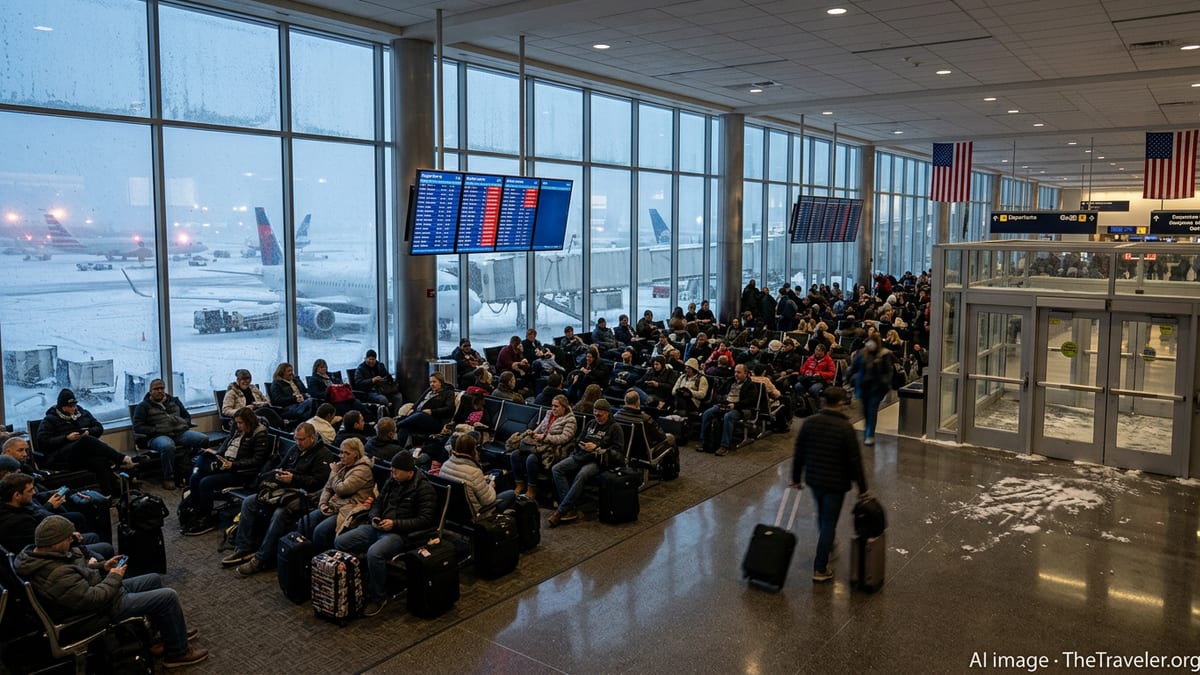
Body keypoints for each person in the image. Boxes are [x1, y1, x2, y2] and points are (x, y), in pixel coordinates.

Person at [16, 515, 209, 668]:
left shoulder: (41, 556)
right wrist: (115, 576)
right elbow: (93, 599)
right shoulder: (57, 573)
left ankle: (166, 637)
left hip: (100, 591)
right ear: (56, 542)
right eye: (68, 538)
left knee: (153, 579)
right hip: (99, 610)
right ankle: (177, 653)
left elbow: (79, 576)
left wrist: (103, 567)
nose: (71, 541)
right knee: (168, 596)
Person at [334, 450, 436, 618]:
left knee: (374, 553)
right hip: (378, 526)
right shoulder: (392, 481)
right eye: (392, 470)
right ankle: (359, 583)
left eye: (396, 471)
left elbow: (425, 520)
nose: (392, 474)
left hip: (400, 534)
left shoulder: (424, 489)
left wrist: (395, 524)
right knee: (341, 542)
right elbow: (378, 502)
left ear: (410, 473)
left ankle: (378, 597)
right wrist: (374, 516)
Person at [226, 422, 335, 574]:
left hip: (303, 497)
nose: (298, 443)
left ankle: (261, 558)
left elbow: (319, 483)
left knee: (279, 514)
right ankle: (244, 546)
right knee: (250, 501)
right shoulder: (295, 449)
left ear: (312, 438)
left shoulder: (324, 455)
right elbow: (281, 466)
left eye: (301, 439)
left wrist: (294, 479)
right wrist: (278, 475)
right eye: (296, 439)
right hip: (283, 491)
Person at [789, 387, 868, 582]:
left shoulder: (810, 423)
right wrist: (863, 489)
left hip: (815, 479)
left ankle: (829, 544)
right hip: (836, 482)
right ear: (840, 403)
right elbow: (854, 460)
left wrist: (795, 477)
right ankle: (820, 567)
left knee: (823, 517)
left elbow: (799, 452)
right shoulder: (845, 428)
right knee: (829, 522)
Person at [183, 407, 273, 536]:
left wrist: (233, 464)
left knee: (205, 482)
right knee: (195, 477)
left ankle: (206, 517)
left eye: (240, 423)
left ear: (249, 422)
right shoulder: (237, 429)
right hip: (225, 464)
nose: (238, 425)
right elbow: (226, 444)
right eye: (236, 422)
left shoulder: (259, 434)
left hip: (241, 472)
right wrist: (217, 455)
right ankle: (198, 510)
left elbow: (257, 461)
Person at [36, 389, 133, 496]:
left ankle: (110, 494)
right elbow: (43, 442)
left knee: (100, 461)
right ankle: (121, 459)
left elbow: (99, 427)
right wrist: (66, 438)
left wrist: (89, 432)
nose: (73, 408)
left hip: (81, 455)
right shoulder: (50, 420)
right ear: (62, 407)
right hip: (60, 456)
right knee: (86, 441)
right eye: (70, 406)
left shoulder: (83, 413)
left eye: (74, 405)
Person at [291, 438, 376, 553]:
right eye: (341, 452)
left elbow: (341, 489)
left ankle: (318, 562)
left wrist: (334, 473)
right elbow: (327, 487)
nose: (341, 456)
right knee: (305, 522)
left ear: (356, 455)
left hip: (349, 509)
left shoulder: (363, 470)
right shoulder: (343, 466)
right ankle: (300, 556)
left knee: (320, 531)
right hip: (334, 505)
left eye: (346, 453)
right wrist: (322, 503)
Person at [549, 400, 624, 527]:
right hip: (582, 455)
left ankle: (561, 511)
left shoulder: (615, 428)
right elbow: (579, 439)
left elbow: (617, 452)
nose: (597, 417)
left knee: (582, 474)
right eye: (595, 414)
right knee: (557, 468)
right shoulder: (591, 423)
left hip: (598, 460)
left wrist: (596, 448)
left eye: (600, 415)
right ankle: (569, 507)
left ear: (607, 413)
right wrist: (582, 445)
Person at [132, 379, 208, 489]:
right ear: (150, 391)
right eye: (156, 389)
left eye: (162, 388)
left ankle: (195, 469)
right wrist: (156, 429)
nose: (160, 391)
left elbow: (187, 416)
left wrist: (184, 423)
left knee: (203, 439)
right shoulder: (143, 406)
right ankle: (169, 478)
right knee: (167, 446)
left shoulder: (174, 401)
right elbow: (137, 427)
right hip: (157, 436)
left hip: (179, 433)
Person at [510, 395, 576, 502]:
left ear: (564, 407)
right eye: (552, 406)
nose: (553, 408)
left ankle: (532, 489)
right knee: (515, 455)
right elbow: (539, 429)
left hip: (552, 449)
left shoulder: (570, 420)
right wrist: (533, 434)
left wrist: (545, 438)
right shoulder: (549, 414)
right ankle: (520, 484)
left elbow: (564, 438)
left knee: (531, 458)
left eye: (556, 406)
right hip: (540, 444)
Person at [439, 435, 516, 520]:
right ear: (472, 451)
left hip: (452, 513)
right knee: (511, 494)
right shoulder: (474, 473)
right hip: (476, 515)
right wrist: (491, 485)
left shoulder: (444, 466)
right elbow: (488, 500)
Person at [699, 363, 756, 457]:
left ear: (746, 373)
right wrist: (722, 401)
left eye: (739, 372)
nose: (736, 374)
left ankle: (724, 445)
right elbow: (720, 392)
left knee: (728, 416)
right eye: (735, 372)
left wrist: (735, 405)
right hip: (726, 404)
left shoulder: (750, 385)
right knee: (707, 413)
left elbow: (750, 401)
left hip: (740, 408)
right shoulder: (730, 381)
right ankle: (703, 440)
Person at [848, 339, 894, 446]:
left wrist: (885, 383)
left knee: (872, 410)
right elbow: (854, 367)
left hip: (876, 388)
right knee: (865, 411)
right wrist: (848, 378)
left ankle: (869, 434)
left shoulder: (884, 355)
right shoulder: (862, 354)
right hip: (863, 387)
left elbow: (888, 371)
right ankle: (868, 430)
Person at [394, 372, 456, 446]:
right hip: (419, 416)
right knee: (404, 427)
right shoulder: (430, 390)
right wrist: (413, 408)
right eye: (430, 382)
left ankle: (395, 426)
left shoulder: (448, 392)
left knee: (419, 415)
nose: (432, 384)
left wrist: (432, 411)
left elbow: (450, 409)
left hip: (435, 421)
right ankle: (398, 448)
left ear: (441, 382)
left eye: (434, 382)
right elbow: (419, 400)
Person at [308, 359, 377, 420]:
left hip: (342, 397)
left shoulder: (331, 375)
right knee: (349, 405)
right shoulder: (314, 379)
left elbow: (340, 383)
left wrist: (340, 386)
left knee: (356, 402)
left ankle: (370, 418)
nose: (324, 369)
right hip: (331, 400)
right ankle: (361, 420)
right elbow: (314, 393)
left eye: (325, 367)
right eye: (322, 367)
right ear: (316, 368)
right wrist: (329, 393)